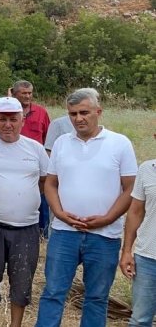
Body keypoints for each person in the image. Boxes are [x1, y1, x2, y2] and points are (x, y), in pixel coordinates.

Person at [36, 88, 137, 327]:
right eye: (73, 114)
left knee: (96, 297)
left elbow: (130, 189)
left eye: (84, 112)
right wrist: (59, 213)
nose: (78, 118)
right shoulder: (62, 143)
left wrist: (107, 218)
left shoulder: (119, 143)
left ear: (98, 112)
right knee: (53, 293)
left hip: (104, 235)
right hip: (64, 232)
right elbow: (50, 184)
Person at [0, 97, 49, 327]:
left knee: (23, 281)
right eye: (2, 119)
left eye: (13, 119)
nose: (8, 124)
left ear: (22, 120)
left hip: (27, 227)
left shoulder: (34, 148)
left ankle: (16, 324)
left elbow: (45, 181)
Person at [120, 134, 156, 327]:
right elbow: (135, 212)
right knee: (140, 320)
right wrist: (127, 251)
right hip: (148, 258)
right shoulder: (146, 169)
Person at [13, 80, 53, 236]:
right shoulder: (9, 112)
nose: (27, 96)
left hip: (35, 161)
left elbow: (47, 136)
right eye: (23, 93)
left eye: (30, 93)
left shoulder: (41, 112)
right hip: (13, 159)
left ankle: (43, 231)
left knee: (41, 195)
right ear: (15, 94)